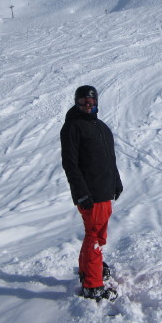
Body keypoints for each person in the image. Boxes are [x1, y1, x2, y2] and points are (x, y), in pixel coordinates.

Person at [60, 85, 123, 301]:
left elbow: (109, 159)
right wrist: (80, 192)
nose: (88, 105)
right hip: (90, 193)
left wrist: (116, 181)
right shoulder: (72, 127)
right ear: (76, 102)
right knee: (94, 235)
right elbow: (70, 163)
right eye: (83, 101)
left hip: (104, 191)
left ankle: (89, 270)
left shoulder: (102, 127)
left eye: (91, 101)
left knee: (97, 235)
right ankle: (92, 285)